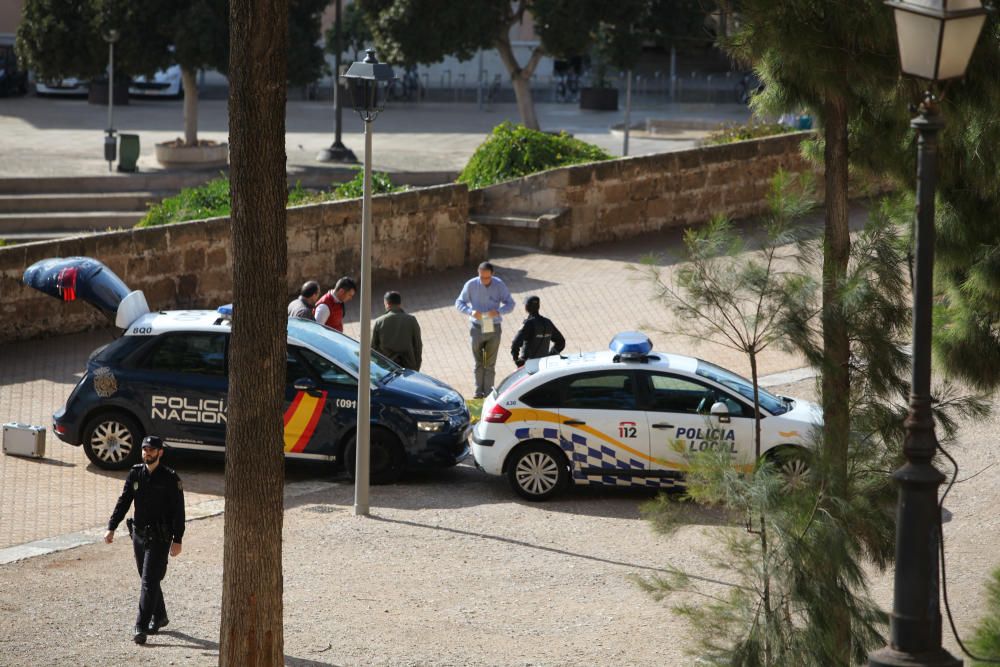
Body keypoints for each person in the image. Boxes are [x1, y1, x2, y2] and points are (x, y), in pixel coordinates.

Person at [104, 436, 185, 645]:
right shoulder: (135, 473)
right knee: (147, 578)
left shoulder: (170, 478)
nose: (147, 453)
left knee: (149, 581)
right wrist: (111, 526)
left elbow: (179, 511)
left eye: (151, 450)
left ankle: (140, 625)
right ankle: (160, 616)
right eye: (144, 450)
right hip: (139, 535)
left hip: (160, 537)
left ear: (160, 453)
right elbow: (124, 501)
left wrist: (178, 539)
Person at [454, 261, 516, 398]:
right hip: (477, 327)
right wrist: (470, 311)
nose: (484, 281)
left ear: (492, 274)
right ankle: (478, 392)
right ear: (478, 273)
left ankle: (488, 393)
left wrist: (499, 311)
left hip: (494, 328)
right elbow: (459, 303)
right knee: (478, 363)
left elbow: (511, 304)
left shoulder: (499, 285)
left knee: (490, 363)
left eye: (487, 278)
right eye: (481, 277)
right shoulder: (471, 284)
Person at [372, 291, 423, 371]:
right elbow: (418, 346)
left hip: (386, 370)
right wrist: (416, 367)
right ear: (400, 303)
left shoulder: (379, 322)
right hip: (409, 368)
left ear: (386, 303)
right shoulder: (411, 320)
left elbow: (373, 348)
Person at [510, 295, 566, 367]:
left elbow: (515, 343)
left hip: (528, 365)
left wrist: (517, 360)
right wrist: (550, 356)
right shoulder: (548, 322)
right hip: (543, 365)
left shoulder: (528, 323)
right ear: (538, 307)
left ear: (526, 307)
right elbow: (561, 342)